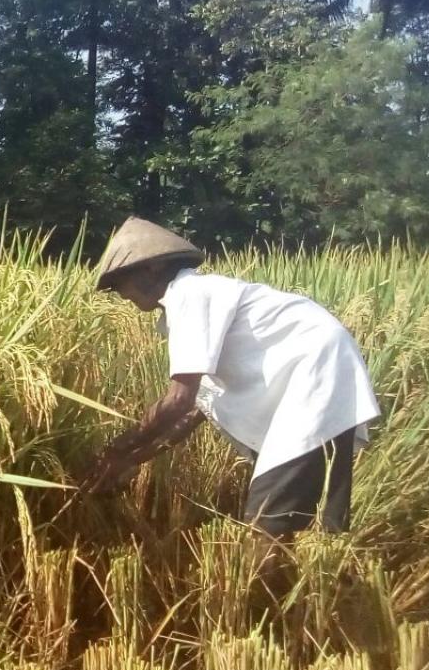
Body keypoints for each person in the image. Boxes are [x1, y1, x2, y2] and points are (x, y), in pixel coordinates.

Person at [82, 218, 380, 538]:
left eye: (118, 283)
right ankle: (313, 581)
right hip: (321, 375)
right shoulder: (197, 304)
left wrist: (115, 450)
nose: (119, 294)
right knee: (295, 526)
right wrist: (134, 459)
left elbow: (179, 399)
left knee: (266, 524)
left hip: (314, 375)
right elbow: (197, 409)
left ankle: (270, 585)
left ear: (150, 269)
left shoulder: (189, 294)